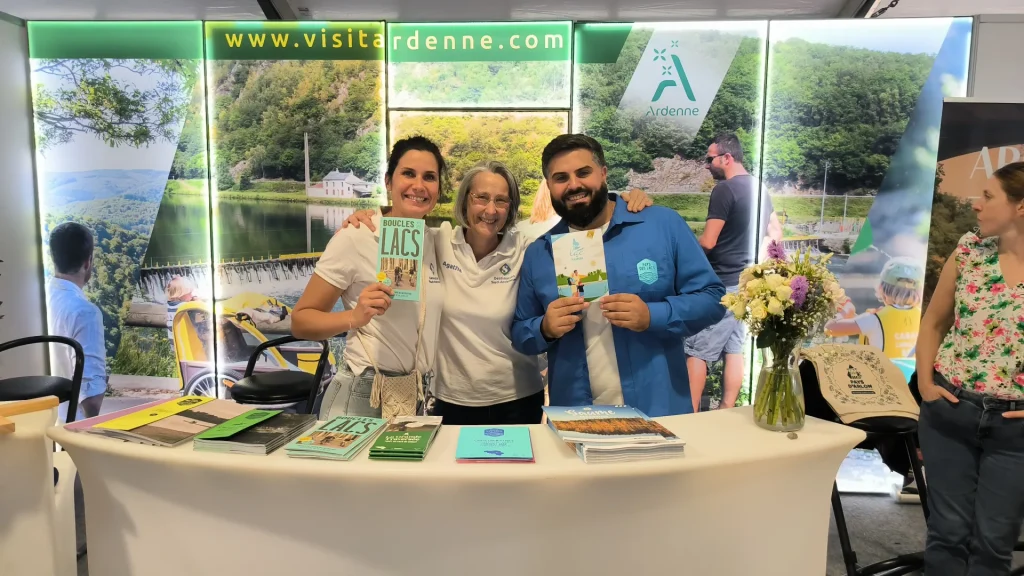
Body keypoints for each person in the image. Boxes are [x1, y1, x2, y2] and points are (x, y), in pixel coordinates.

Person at [340, 161, 652, 425]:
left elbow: (588, 240)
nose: (490, 210)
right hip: (450, 400)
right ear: (465, 201)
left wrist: (620, 202)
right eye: (481, 198)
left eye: (502, 201)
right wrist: (367, 217)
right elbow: (399, 221)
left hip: (518, 399)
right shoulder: (437, 241)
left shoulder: (528, 250)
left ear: (511, 208)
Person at [511, 134, 725, 417]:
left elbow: (712, 299)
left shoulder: (661, 225)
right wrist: (544, 328)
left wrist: (652, 315)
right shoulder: (540, 252)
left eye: (583, 173)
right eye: (561, 178)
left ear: (603, 173)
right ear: (549, 185)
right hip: (577, 419)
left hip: (658, 412)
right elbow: (520, 332)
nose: (574, 185)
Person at [915, 161, 1024, 575]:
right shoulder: (970, 250)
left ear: (1021, 207)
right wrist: (926, 385)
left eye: (989, 196)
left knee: (993, 544)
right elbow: (933, 323)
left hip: (1015, 431)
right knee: (947, 534)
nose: (976, 204)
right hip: (950, 411)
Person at [292, 136, 445, 419]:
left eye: (429, 177)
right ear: (388, 182)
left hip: (414, 395)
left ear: (438, 188)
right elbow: (301, 322)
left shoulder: (436, 241)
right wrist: (355, 316)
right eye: (408, 173)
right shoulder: (356, 236)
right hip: (361, 393)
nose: (419, 185)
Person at [686, 132, 783, 412]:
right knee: (734, 349)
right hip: (746, 284)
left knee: (696, 351)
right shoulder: (759, 188)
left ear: (726, 158)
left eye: (710, 159)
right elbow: (776, 232)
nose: (707, 165)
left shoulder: (724, 190)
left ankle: (689, 415)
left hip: (721, 283)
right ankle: (726, 410)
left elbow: (708, 241)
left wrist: (684, 252)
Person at [46, 222, 106, 420]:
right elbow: (92, 401)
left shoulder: (40, 297)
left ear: (53, 258)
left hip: (42, 422)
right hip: (72, 427)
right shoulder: (85, 312)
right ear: (88, 262)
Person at [825, 257, 924, 359]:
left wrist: (846, 311)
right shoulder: (923, 318)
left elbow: (829, 329)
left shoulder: (874, 319)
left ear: (882, 288)